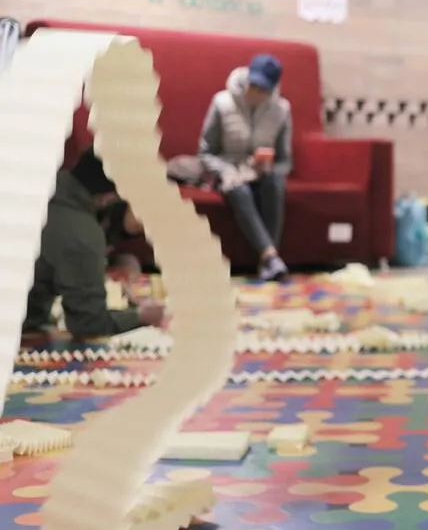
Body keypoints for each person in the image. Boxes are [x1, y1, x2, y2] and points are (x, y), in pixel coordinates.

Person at [24, 147, 167, 338]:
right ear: (108, 198)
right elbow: (89, 324)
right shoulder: (81, 234)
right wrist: (141, 316)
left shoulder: (41, 186)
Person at [200, 53, 293, 281]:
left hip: (260, 173)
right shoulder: (222, 102)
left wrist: (269, 168)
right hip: (228, 172)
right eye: (254, 86)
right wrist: (227, 171)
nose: (256, 93)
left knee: (275, 183)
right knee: (238, 188)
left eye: (263, 90)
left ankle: (267, 263)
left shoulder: (281, 110)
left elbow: (285, 160)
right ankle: (270, 256)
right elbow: (205, 152)